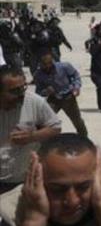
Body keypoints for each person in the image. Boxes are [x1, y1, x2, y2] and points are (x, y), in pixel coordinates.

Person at [0, 65, 62, 194]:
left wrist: (32, 136)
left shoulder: (35, 102)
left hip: (25, 180)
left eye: (23, 87)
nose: (21, 94)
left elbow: (55, 127)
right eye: (14, 91)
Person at [33, 50, 88, 138]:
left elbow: (75, 75)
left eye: (49, 63)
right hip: (53, 99)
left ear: (53, 61)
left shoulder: (64, 66)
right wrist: (46, 91)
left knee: (77, 120)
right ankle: (45, 141)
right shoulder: (38, 75)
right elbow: (38, 92)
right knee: (44, 120)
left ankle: (84, 138)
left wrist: (76, 87)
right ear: (40, 64)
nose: (47, 66)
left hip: (68, 97)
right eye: (44, 64)